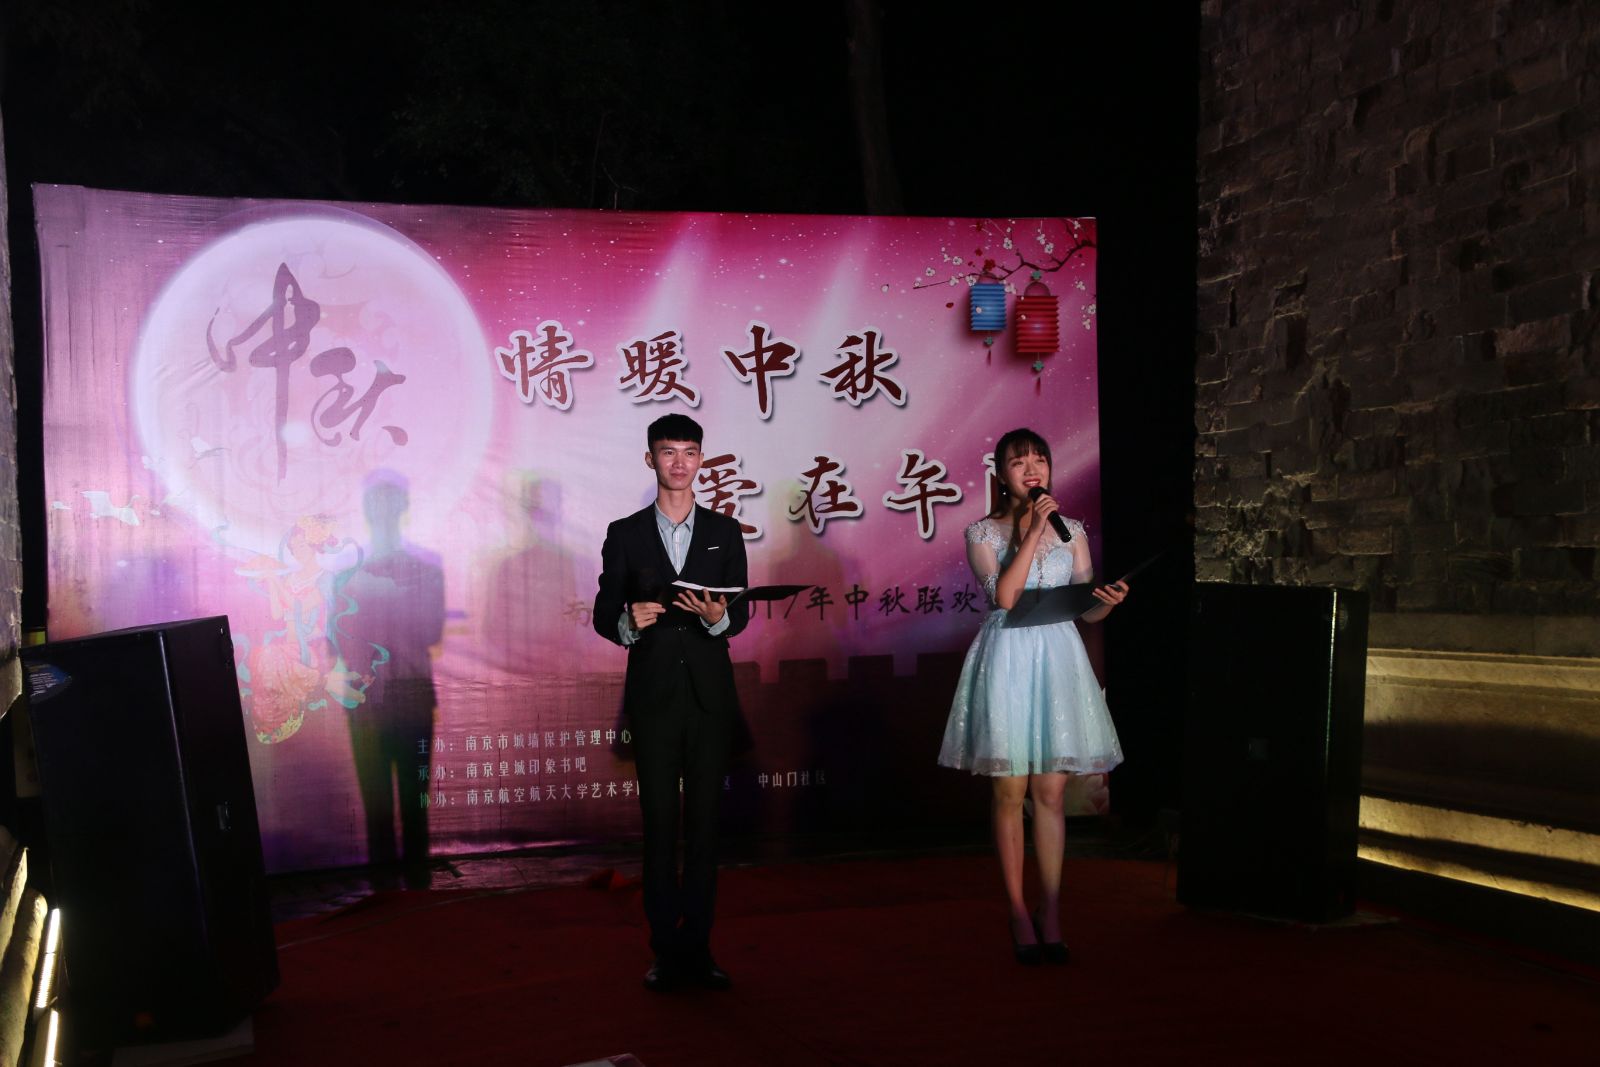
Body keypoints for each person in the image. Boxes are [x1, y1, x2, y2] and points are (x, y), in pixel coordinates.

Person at [937, 427, 1128, 964]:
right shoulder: (982, 531)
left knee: (1050, 794)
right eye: (1019, 462)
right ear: (1001, 474)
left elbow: (1085, 608)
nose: (1032, 469)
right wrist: (1035, 526)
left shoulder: (1075, 531)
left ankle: (1052, 908)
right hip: (1009, 657)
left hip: (1058, 657)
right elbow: (1005, 596)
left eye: (1039, 459)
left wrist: (1107, 601)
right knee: (1009, 792)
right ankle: (1018, 909)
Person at [593, 413, 750, 991]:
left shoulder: (725, 531)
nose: (679, 462)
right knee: (659, 826)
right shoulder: (625, 533)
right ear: (650, 459)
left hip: (710, 697)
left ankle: (700, 948)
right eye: (668, 452)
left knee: (705, 828)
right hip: (654, 697)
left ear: (701, 460)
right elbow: (602, 612)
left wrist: (718, 619)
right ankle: (663, 950)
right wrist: (627, 621)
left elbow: (740, 613)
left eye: (688, 452)